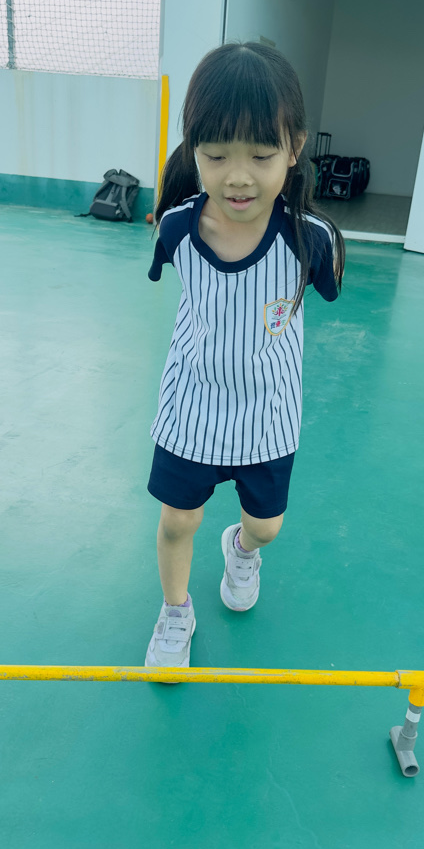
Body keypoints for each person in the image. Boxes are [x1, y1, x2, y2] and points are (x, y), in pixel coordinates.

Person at [144, 41, 346, 671]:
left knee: (266, 528)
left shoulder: (310, 242)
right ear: (193, 149)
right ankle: (175, 611)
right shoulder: (177, 228)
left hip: (267, 413)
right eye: (216, 155)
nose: (237, 176)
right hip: (192, 405)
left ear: (295, 147)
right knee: (177, 522)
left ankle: (243, 550)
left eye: (260, 156)